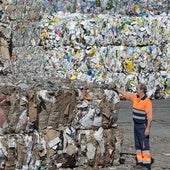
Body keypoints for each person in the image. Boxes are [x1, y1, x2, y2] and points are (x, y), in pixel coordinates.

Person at [112, 83, 153, 170]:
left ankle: (146, 165)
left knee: (144, 145)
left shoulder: (147, 102)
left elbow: (149, 118)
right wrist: (116, 88)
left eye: (137, 88)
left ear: (142, 90)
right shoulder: (135, 97)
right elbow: (125, 94)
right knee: (138, 145)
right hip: (136, 125)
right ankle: (140, 162)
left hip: (143, 126)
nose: (135, 90)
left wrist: (148, 129)